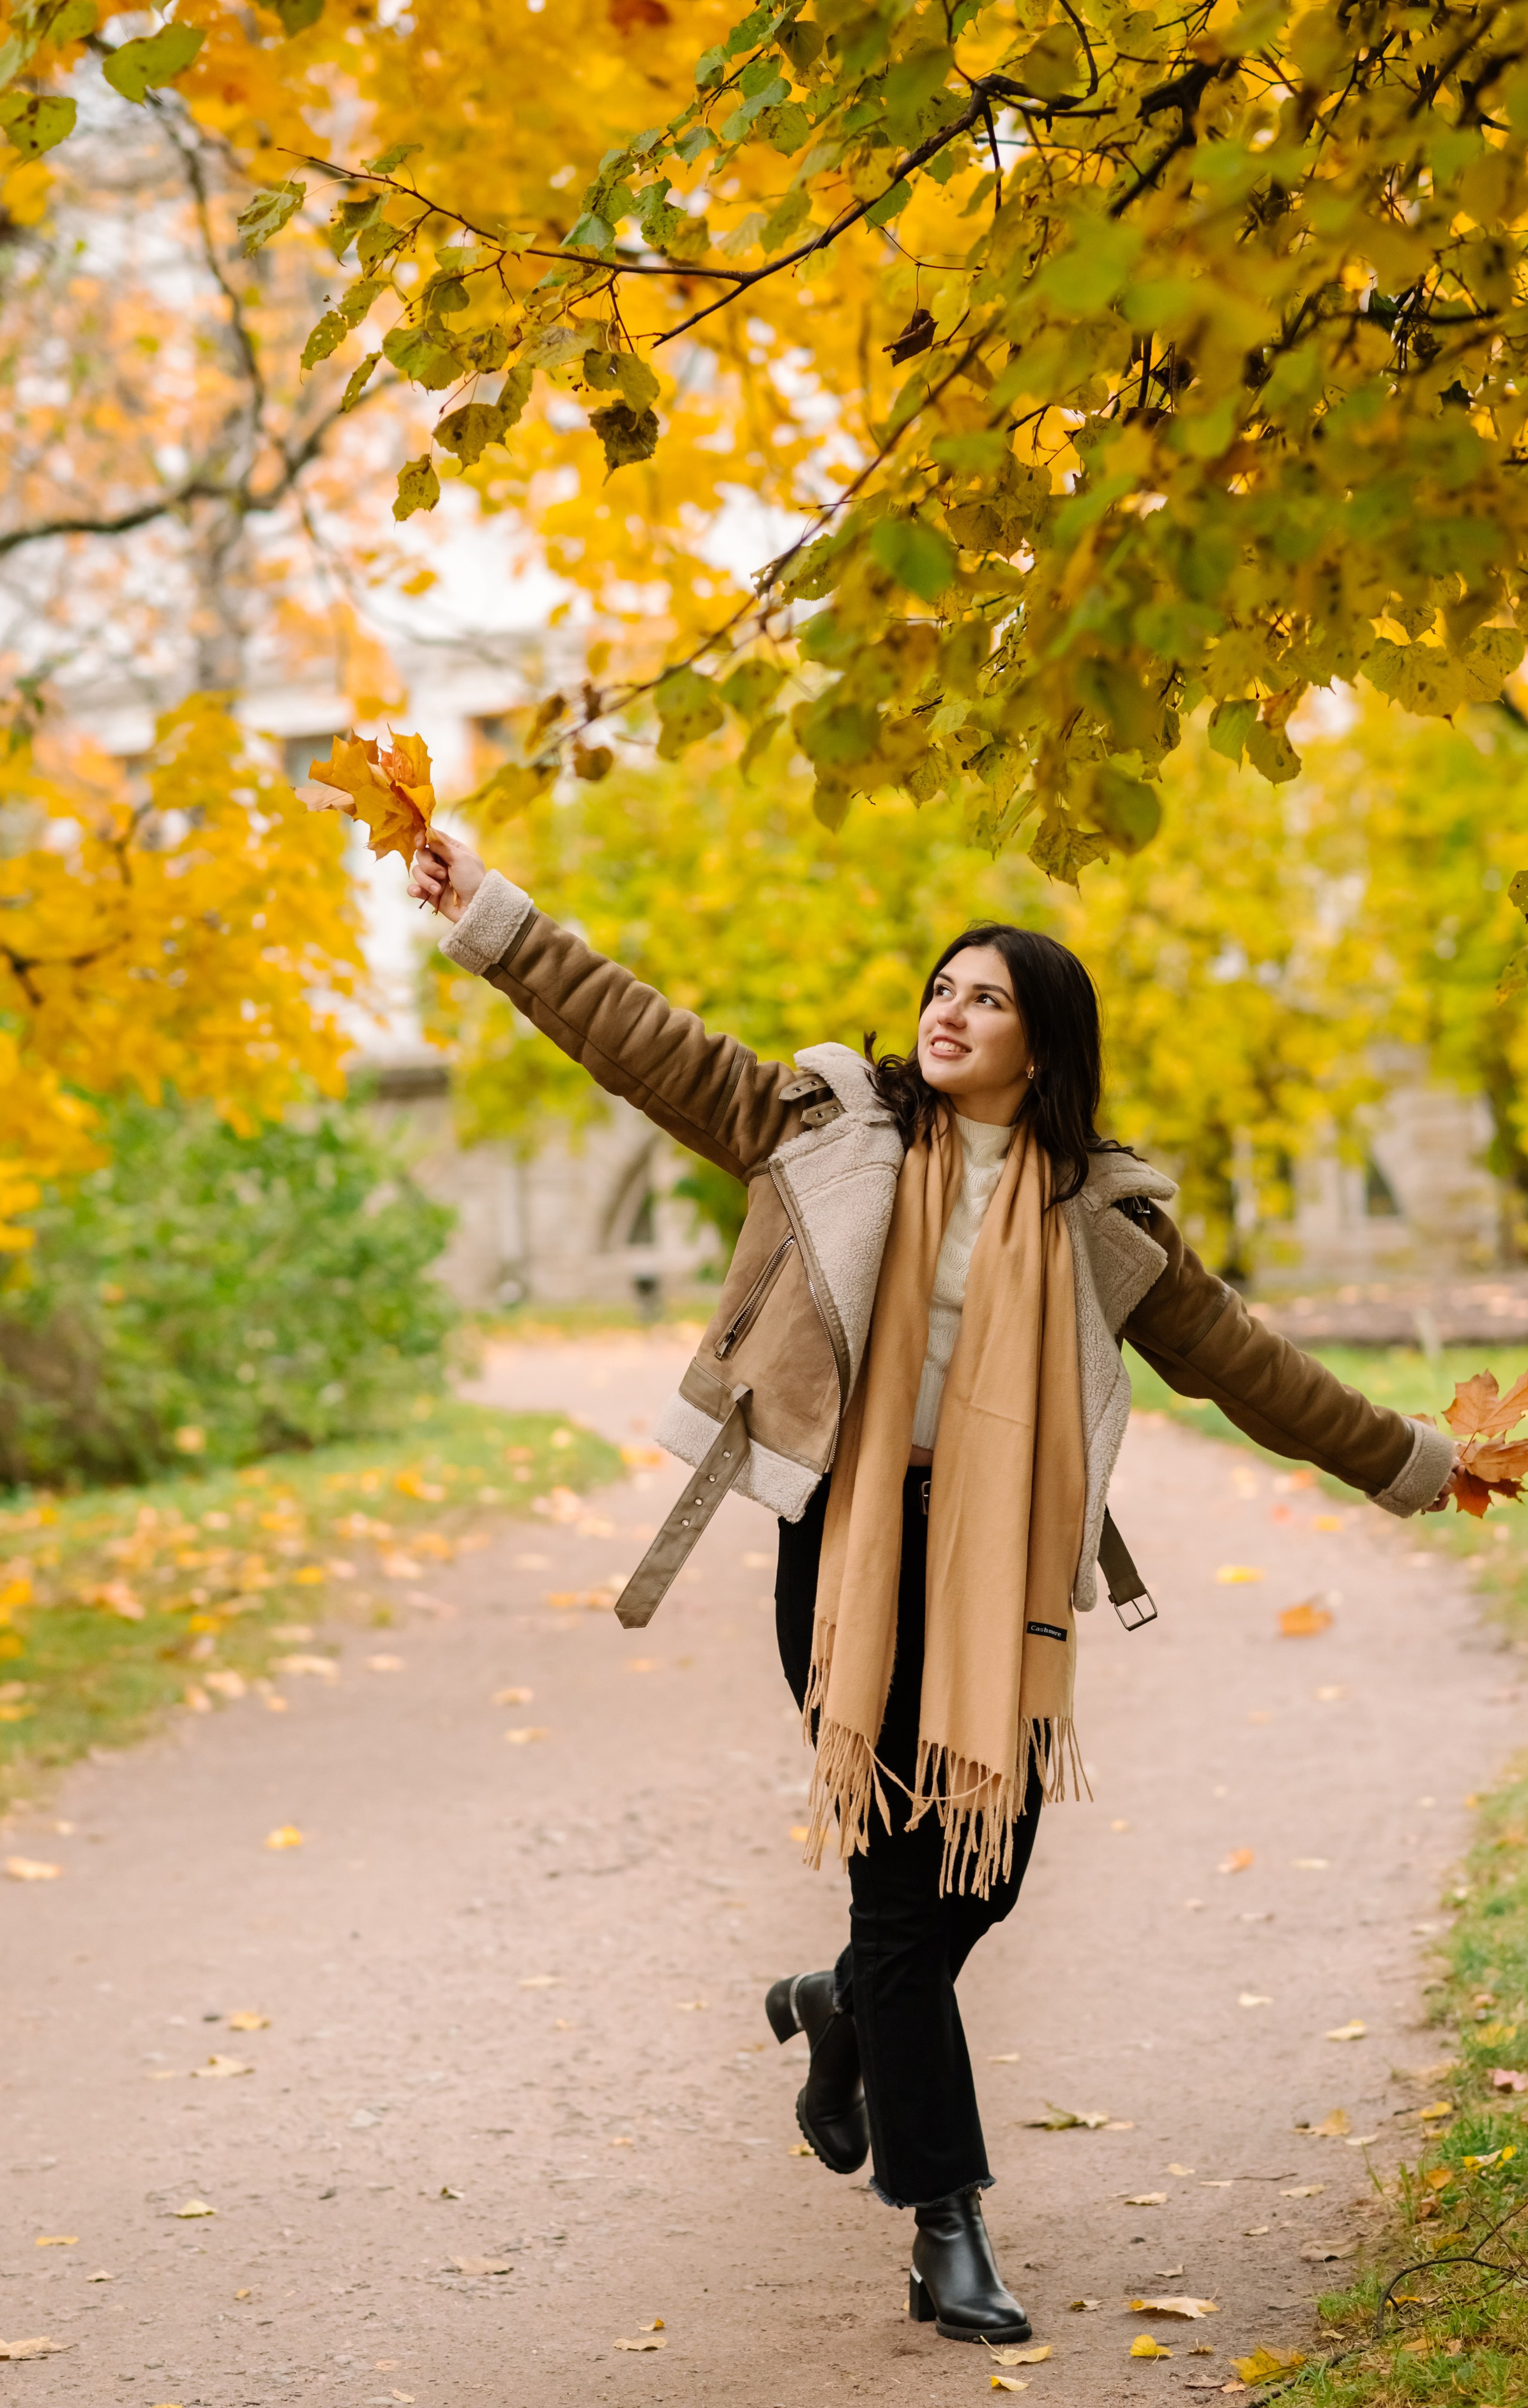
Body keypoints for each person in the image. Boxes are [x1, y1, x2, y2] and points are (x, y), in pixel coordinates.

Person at [408, 830, 1457, 2347]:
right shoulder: (817, 1124)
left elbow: (1246, 1369)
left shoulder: (1103, 1217)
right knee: (904, 1893)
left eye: (985, 999)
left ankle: (840, 2006)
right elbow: (633, 1036)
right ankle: (944, 2218)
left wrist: (1412, 1461)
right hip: (841, 1550)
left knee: (982, 1875)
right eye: (938, 988)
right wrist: (493, 918)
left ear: (1044, 1044)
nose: (946, 1013)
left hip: (996, 1569)